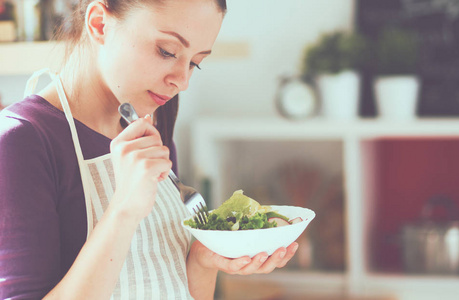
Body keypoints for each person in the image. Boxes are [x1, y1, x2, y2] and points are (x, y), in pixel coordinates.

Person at [0, 0, 299, 299]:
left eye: (195, 62)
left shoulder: (155, 115)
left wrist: (203, 260)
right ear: (99, 24)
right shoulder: (22, 142)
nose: (181, 82)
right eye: (167, 51)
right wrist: (124, 210)